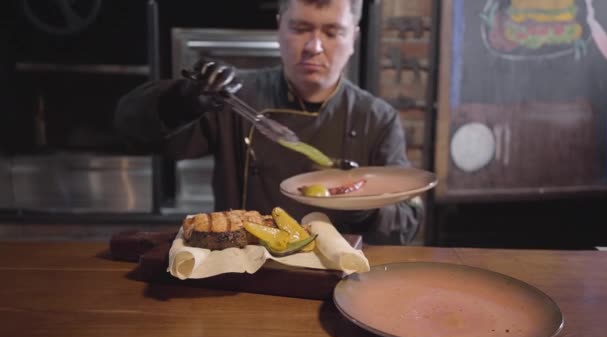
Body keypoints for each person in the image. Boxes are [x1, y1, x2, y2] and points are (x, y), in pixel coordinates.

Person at [114, 0, 423, 245]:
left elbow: (407, 224)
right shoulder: (233, 96)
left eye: (332, 32)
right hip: (242, 272)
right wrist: (182, 100)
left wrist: (363, 205)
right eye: (301, 28)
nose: (314, 47)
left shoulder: (377, 118)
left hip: (334, 283)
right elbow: (134, 131)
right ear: (279, 27)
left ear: (353, 37)